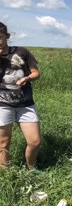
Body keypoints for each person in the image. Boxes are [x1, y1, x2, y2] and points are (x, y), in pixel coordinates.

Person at [0, 22, 41, 170]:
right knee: (3, 142)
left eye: (0, 37)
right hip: (2, 105)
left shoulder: (22, 52)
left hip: (25, 103)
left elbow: (36, 72)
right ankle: (6, 173)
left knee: (35, 141)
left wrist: (27, 78)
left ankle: (31, 168)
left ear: (7, 36)